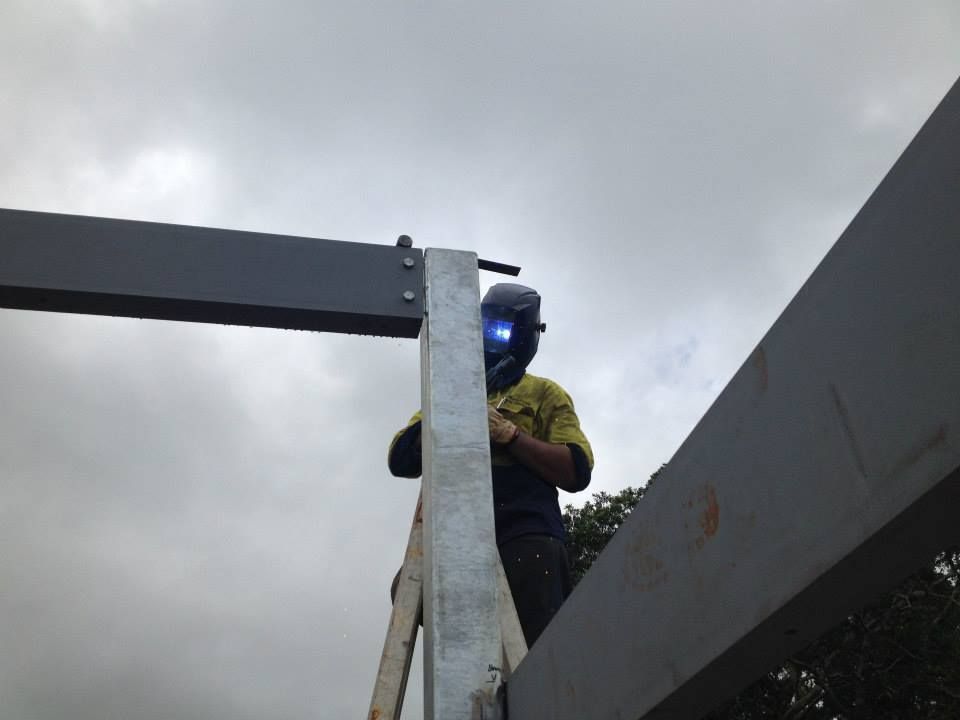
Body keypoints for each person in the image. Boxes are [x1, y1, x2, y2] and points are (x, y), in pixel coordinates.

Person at [388, 282, 594, 647]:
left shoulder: (545, 393)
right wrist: (445, 415)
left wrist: (510, 436)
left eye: (503, 329)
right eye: (486, 327)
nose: (492, 338)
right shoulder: (451, 388)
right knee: (407, 589)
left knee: (537, 648)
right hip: (456, 535)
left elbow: (575, 470)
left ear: (526, 334)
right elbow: (400, 459)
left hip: (526, 531)